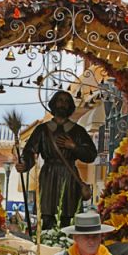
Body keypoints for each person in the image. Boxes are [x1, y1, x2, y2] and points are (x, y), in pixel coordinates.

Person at [15, 90, 98, 229]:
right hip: (49, 175)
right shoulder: (42, 130)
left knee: (69, 215)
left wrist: (74, 147)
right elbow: (29, 151)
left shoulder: (78, 131)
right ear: (53, 104)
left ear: (70, 106)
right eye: (60, 100)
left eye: (66, 101)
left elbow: (91, 155)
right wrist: (24, 164)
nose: (63, 104)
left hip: (69, 176)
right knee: (47, 215)